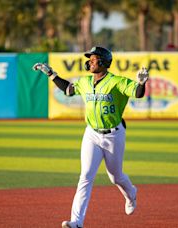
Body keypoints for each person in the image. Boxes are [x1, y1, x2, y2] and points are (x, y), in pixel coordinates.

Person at [33, 46, 149, 228]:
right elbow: (68, 89)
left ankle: (131, 194)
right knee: (85, 176)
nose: (90, 61)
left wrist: (142, 83)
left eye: (94, 59)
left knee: (116, 177)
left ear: (104, 62)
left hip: (113, 135)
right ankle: (77, 222)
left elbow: (137, 93)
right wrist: (51, 74)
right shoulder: (85, 82)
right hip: (92, 134)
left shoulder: (116, 82)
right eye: (90, 59)